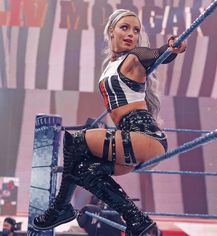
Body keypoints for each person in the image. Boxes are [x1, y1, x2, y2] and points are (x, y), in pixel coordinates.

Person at [32, 9, 187, 236]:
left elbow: (158, 53)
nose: (131, 34)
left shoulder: (134, 57)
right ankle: (137, 220)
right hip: (129, 140)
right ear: (111, 30)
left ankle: (60, 207)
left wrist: (172, 47)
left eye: (136, 30)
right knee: (86, 170)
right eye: (124, 27)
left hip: (145, 137)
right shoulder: (111, 66)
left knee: (75, 139)